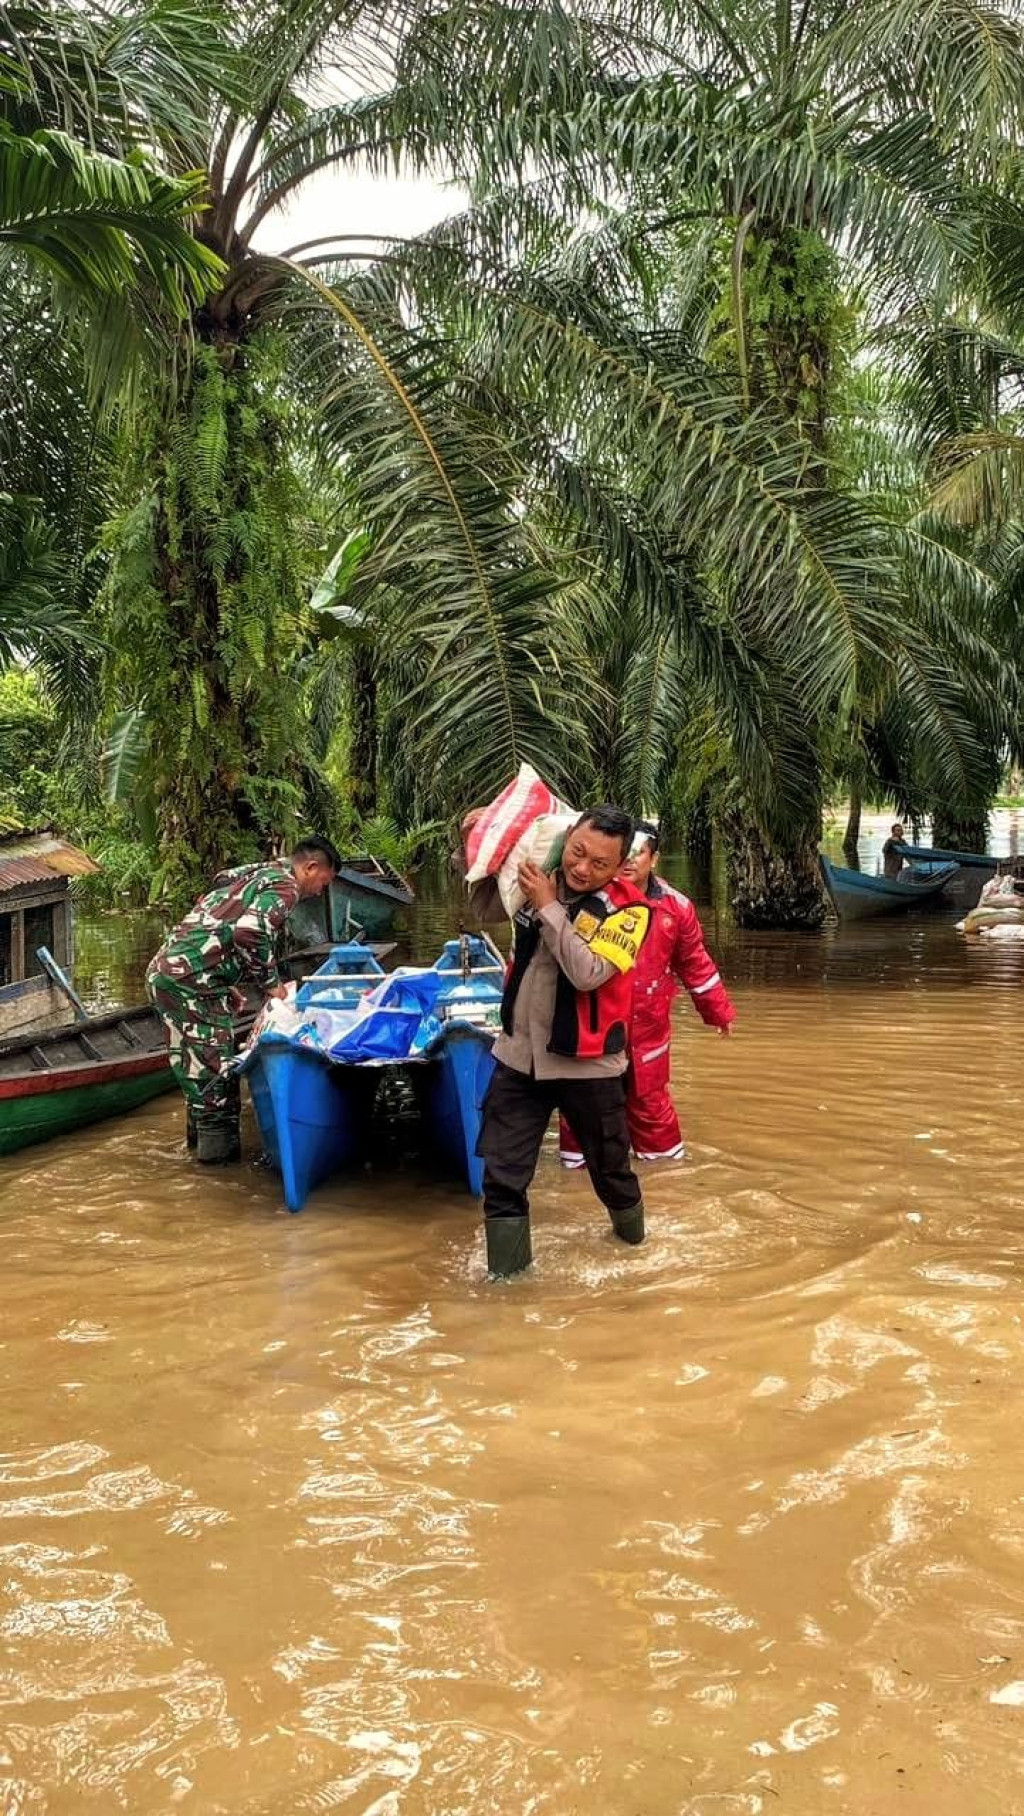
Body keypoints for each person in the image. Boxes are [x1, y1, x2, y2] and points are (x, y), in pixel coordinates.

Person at [467, 804, 652, 1279]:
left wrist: (548, 906)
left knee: (611, 1172)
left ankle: (636, 1252)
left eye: (599, 864)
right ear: (568, 838)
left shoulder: (630, 913)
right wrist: (478, 848)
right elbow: (486, 908)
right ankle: (506, 1287)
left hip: (588, 1067)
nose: (582, 868)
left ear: (619, 868)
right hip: (519, 1059)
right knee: (501, 1175)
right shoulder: (537, 875)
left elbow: (588, 974)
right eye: (577, 852)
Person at [146, 838, 340, 1164]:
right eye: (324, 883)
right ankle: (218, 1182)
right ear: (310, 867)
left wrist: (225, 981)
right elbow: (248, 932)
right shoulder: (287, 887)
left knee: (198, 1075)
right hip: (191, 985)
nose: (321, 892)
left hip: (168, 974)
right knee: (219, 1086)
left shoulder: (259, 874)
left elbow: (220, 886)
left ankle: (193, 1172)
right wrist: (272, 985)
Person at [558, 821, 734, 1167]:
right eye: (625, 853)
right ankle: (576, 1178)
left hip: (647, 1030)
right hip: (592, 1026)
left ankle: (666, 1183)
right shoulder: (585, 898)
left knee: (651, 1107)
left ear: (653, 858)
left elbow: (695, 964)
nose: (629, 862)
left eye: (638, 853)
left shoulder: (676, 907)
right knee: (581, 1109)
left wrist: (719, 1012)